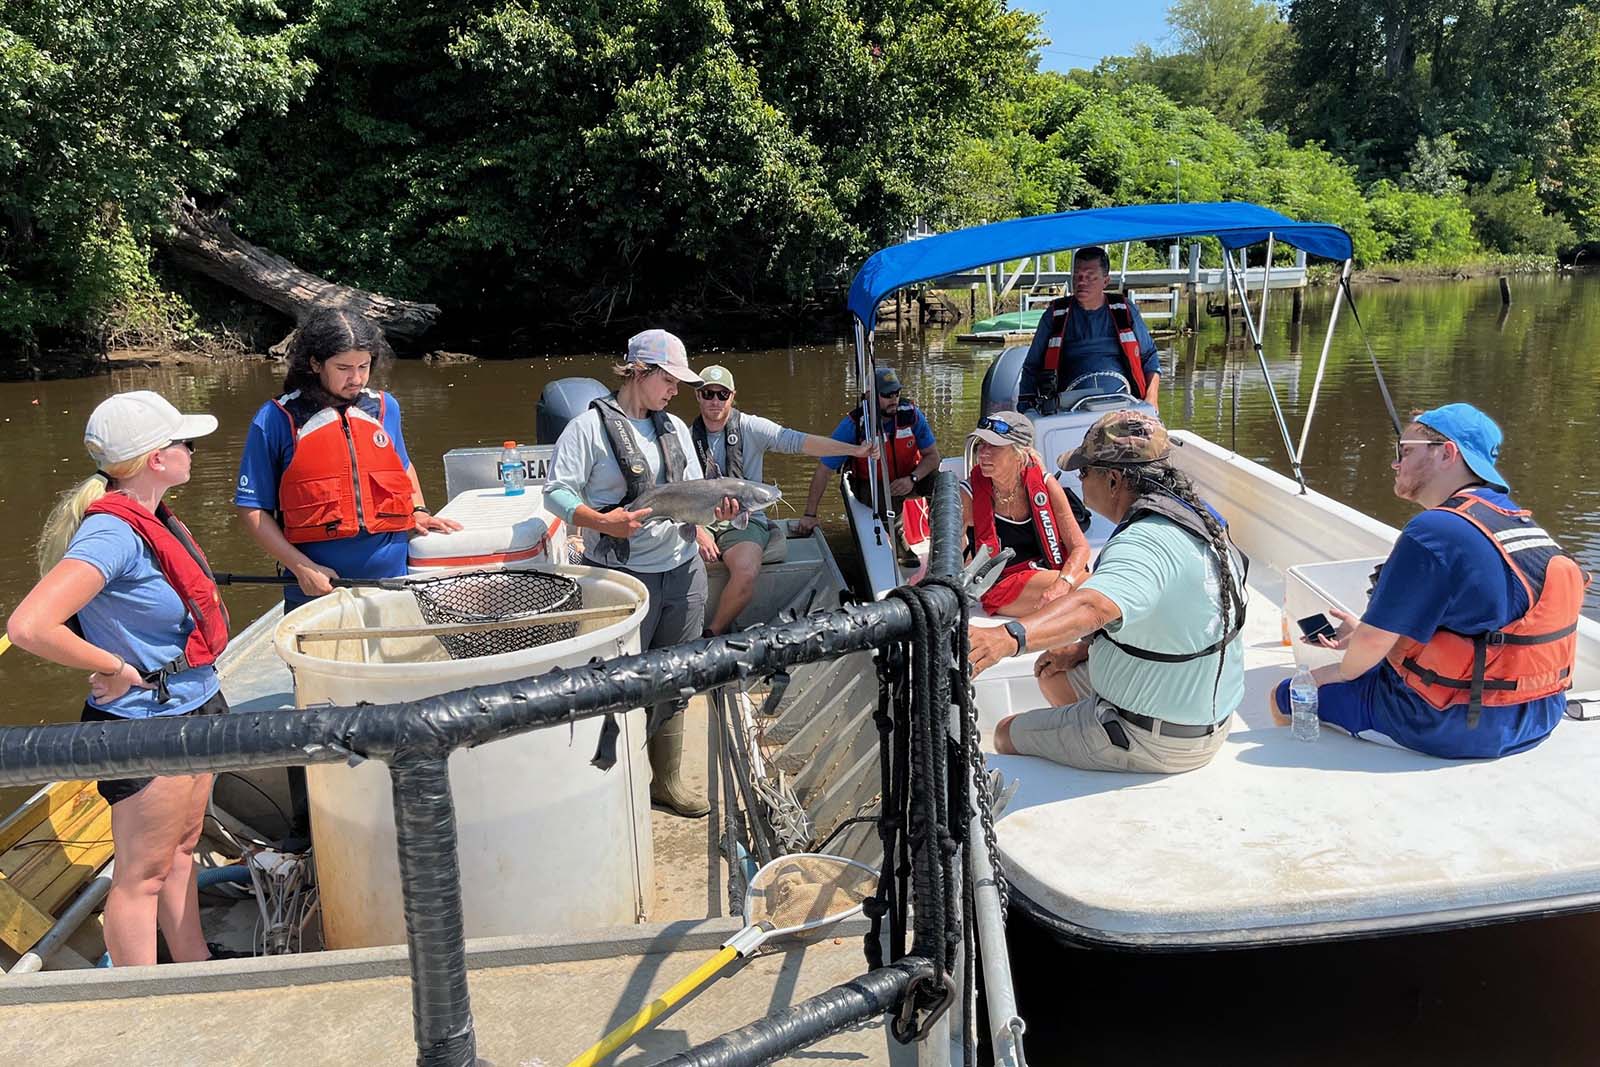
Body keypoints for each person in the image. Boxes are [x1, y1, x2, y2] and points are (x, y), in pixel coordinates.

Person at [6, 391, 240, 966]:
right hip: (146, 722)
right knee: (142, 874)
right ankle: (140, 1003)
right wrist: (112, 666)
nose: (192, 450)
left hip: (196, 701)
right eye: (184, 441)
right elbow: (31, 625)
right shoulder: (112, 533)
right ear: (156, 458)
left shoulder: (154, 516)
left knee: (184, 849)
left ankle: (196, 969)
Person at [1272, 404, 1584, 758]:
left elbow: (1372, 644)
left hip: (1457, 724)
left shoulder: (1433, 530)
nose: (1396, 463)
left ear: (1447, 453)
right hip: (1539, 715)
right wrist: (1362, 631)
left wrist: (1336, 671)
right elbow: (1482, 624)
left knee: (1288, 694)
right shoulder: (1515, 522)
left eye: (1405, 451)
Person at [968, 411, 1246, 774]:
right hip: (1201, 715)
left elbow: (1093, 605)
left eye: (1084, 472)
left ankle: (1098, 749)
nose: (1079, 482)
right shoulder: (1197, 516)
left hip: (1153, 739)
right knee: (1052, 671)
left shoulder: (1144, 543)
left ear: (1113, 480)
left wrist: (1004, 640)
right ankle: (1083, 731)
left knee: (1005, 733)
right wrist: (1085, 648)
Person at [544, 330, 740, 818]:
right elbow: (557, 494)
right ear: (639, 372)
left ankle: (666, 782)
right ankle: (609, 778)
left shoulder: (674, 427)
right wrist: (602, 521)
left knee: (678, 675)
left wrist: (720, 513)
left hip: (682, 571)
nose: (677, 391)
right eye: (670, 380)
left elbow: (697, 495)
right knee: (618, 681)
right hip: (622, 578)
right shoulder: (586, 430)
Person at [235, 307, 461, 608]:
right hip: (317, 591)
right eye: (343, 368)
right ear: (315, 363)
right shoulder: (275, 418)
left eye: (364, 366)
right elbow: (252, 510)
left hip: (392, 586)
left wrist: (419, 510)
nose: (356, 378)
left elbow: (402, 465)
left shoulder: (384, 407)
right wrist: (302, 567)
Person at [689, 365, 872, 635]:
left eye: (722, 394)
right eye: (708, 394)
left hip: (745, 518)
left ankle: (712, 633)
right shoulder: (682, 434)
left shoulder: (751, 427)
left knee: (747, 570)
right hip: (698, 518)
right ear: (698, 396)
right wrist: (697, 531)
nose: (715, 401)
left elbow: (801, 442)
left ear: (733, 396)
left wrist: (854, 450)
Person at [795, 368, 941, 560]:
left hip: (909, 478)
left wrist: (912, 478)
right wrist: (810, 514)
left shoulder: (911, 415)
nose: (894, 399)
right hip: (870, 485)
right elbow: (824, 470)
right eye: (887, 395)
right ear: (870, 396)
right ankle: (898, 542)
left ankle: (941, 539)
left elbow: (933, 456)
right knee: (883, 494)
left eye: (897, 393)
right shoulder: (854, 426)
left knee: (941, 481)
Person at [962, 411, 1092, 617]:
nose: (983, 453)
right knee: (1098, 589)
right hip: (1000, 586)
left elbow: (1080, 547)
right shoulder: (967, 494)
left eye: (994, 446)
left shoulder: (1046, 485)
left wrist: (1063, 582)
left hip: (1046, 573)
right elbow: (948, 561)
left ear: (1019, 453)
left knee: (1099, 587)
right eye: (981, 444)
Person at [1018, 247, 1161, 412]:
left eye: (1090, 277)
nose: (1081, 282)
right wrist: (1025, 409)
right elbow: (1031, 366)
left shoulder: (1125, 310)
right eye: (1077, 275)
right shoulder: (1055, 315)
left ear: (1105, 281)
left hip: (1124, 405)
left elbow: (1150, 357)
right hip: (1068, 411)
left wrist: (1151, 398)